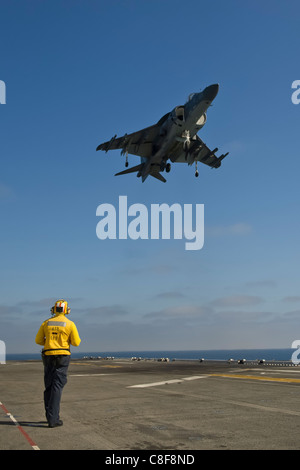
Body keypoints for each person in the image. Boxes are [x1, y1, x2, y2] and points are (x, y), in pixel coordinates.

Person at [35, 299, 81, 428]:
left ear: (54, 309)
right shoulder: (70, 324)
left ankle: (50, 416)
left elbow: (38, 340)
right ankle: (53, 419)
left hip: (48, 356)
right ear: (66, 310)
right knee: (57, 386)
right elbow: (76, 342)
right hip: (62, 356)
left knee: (49, 386)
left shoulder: (46, 323)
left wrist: (50, 343)